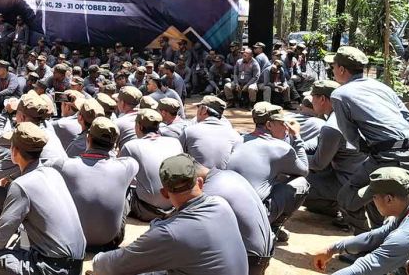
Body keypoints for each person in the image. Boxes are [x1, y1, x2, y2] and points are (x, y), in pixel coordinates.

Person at [92, 153, 248, 275]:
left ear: (164, 194)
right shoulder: (221, 204)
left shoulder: (170, 233)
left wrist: (97, 260)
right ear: (200, 183)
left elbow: (115, 266)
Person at [0, 122, 87, 275]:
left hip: (52, 268)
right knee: (20, 239)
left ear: (15, 151)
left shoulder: (21, 185)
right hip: (75, 265)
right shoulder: (53, 173)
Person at [327, 46, 409, 231]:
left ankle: (363, 247)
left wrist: (369, 149)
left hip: (389, 155)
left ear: (342, 69)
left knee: (347, 198)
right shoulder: (382, 87)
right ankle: (380, 237)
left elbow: (351, 135)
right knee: (374, 190)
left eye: (333, 66)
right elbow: (408, 118)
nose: (332, 70)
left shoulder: (339, 94)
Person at [312, 167, 409, 275]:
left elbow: (367, 268)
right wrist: (333, 249)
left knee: (401, 269)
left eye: (374, 197)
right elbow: (375, 236)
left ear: (389, 199)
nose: (371, 201)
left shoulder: (407, 233)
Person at [50, 117, 138, 252]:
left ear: (88, 138)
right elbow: (130, 162)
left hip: (72, 239)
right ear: (114, 144)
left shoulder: (65, 165)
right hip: (109, 240)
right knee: (127, 191)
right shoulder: (127, 166)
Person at [227, 102, 309, 242]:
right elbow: (304, 170)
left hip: (227, 213)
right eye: (282, 123)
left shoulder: (239, 140)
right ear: (269, 125)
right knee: (302, 183)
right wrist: (296, 137)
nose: (286, 128)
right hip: (251, 216)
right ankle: (271, 227)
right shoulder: (281, 147)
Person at [302, 80, 367, 229]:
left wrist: (292, 158)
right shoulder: (347, 114)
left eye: (313, 97)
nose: (311, 102)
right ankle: (344, 207)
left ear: (323, 99)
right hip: (359, 174)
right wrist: (295, 146)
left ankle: (348, 211)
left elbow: (318, 164)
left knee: (294, 181)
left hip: (349, 181)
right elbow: (316, 144)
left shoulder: (332, 126)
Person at [194, 162, 275, 275]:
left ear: (198, 181)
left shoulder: (210, 192)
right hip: (265, 252)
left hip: (249, 260)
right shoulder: (230, 174)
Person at [120, 109, 183, 222]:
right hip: (176, 206)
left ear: (139, 126)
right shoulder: (174, 142)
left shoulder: (130, 146)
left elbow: (120, 178)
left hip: (147, 211)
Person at [179, 96, 242, 170]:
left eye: (199, 107)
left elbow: (179, 158)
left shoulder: (188, 131)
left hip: (198, 179)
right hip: (225, 178)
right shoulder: (235, 135)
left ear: (204, 110)